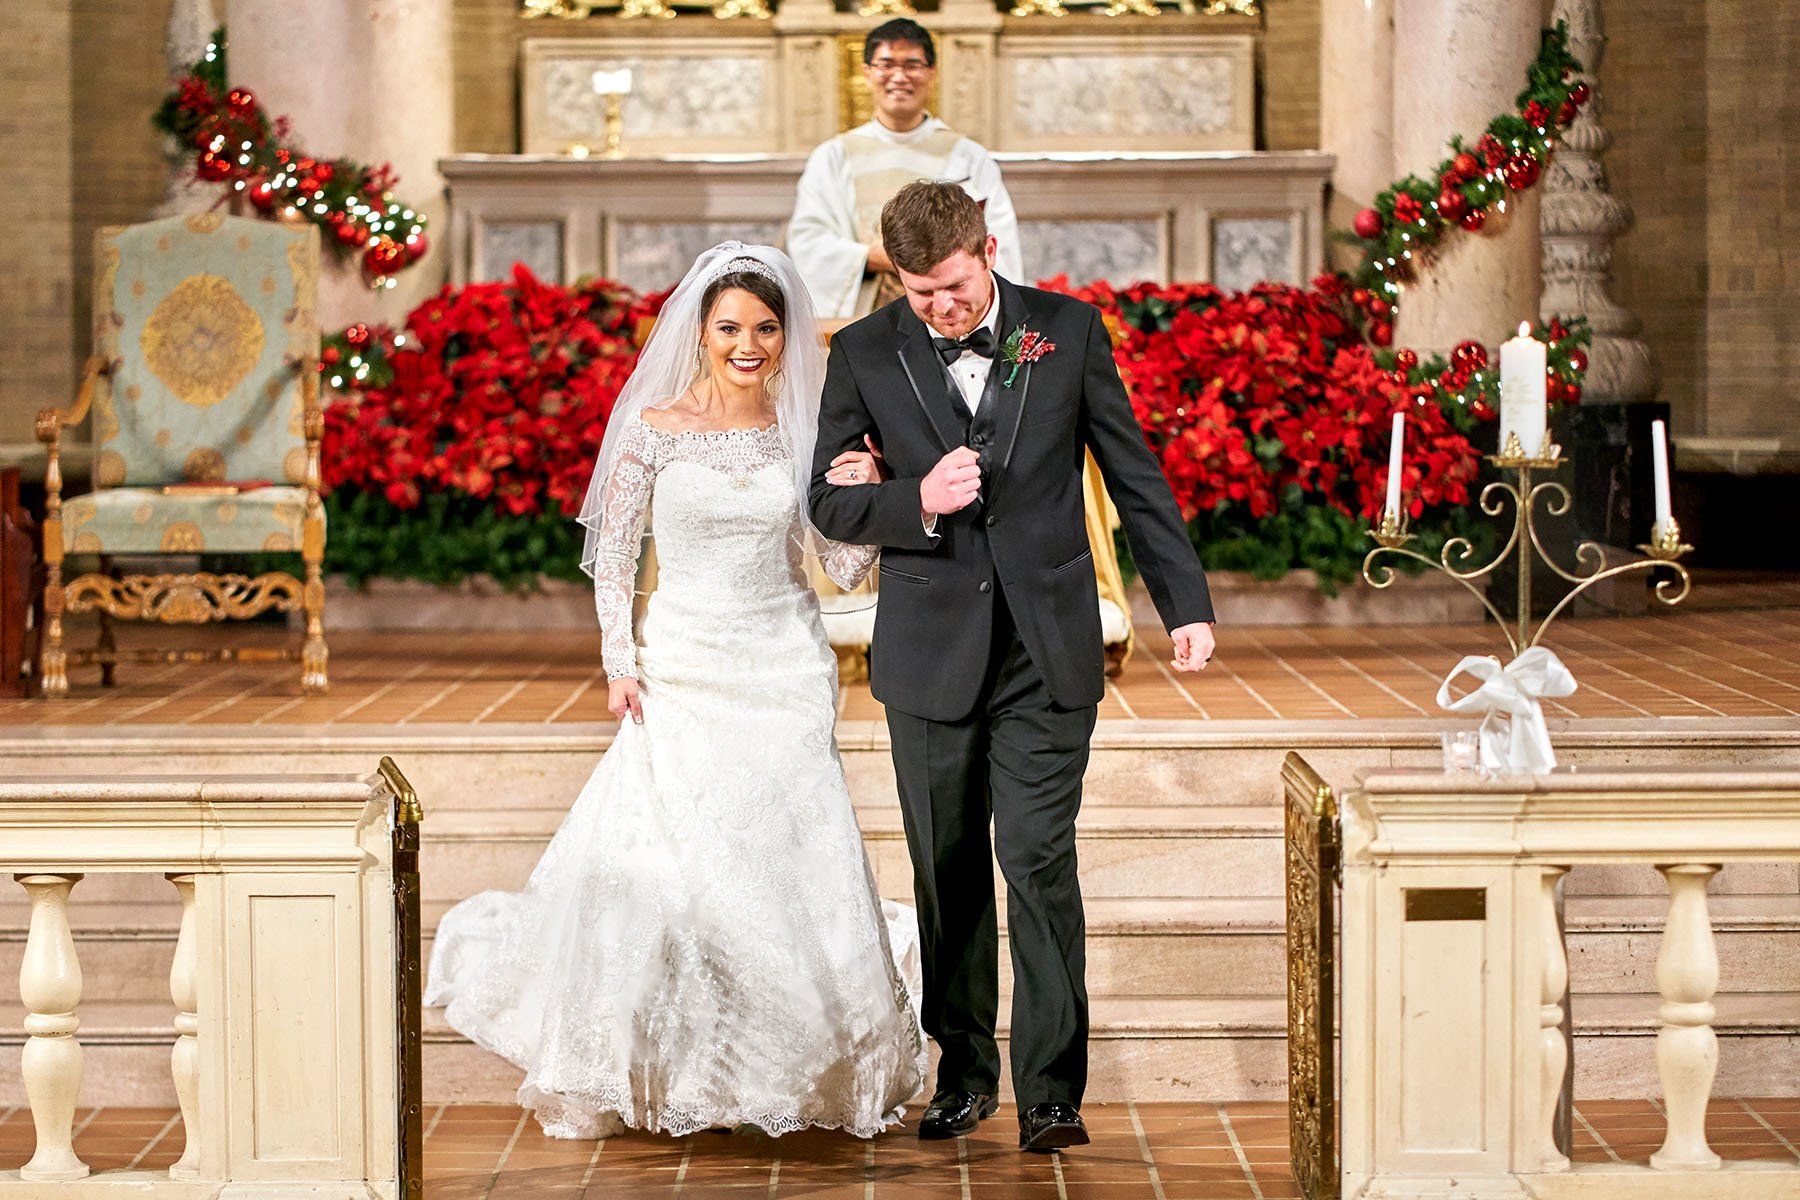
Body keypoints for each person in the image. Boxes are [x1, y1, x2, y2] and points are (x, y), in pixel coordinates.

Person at [426, 242, 924, 1140]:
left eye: (766, 329)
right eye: (731, 326)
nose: (748, 343)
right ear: (700, 330)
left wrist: (873, 493)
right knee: (682, 864)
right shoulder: (655, 428)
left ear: (786, 338)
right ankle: (685, 1065)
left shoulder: (809, 434)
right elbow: (613, 555)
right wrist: (621, 662)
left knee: (783, 856)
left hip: (783, 668)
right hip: (685, 665)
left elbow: (846, 570)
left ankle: (802, 1065)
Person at [807, 182, 1217, 1153]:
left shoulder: (1067, 333)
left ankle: (1051, 1089)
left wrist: (1184, 604)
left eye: (951, 288)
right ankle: (962, 1073)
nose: (940, 309)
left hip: (1047, 646)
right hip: (929, 653)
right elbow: (827, 505)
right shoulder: (863, 353)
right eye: (919, 296)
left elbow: (1133, 473)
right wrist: (915, 498)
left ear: (987, 250)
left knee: (1035, 856)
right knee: (947, 872)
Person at [788, 18, 1022, 320]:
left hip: (949, 313)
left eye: (912, 65)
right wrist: (873, 258)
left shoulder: (969, 157)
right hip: (864, 315)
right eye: (886, 64)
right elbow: (809, 242)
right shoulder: (833, 157)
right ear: (867, 72)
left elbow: (998, 243)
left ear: (932, 72)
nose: (899, 76)